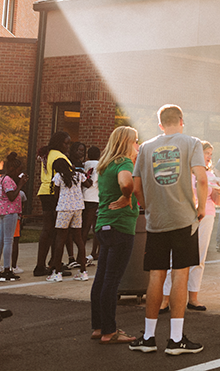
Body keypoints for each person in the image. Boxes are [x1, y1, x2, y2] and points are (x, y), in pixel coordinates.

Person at [126, 104, 208, 355]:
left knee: (155, 276)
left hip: (157, 220)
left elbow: (136, 186)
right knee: (180, 275)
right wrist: (201, 207)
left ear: (160, 124)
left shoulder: (147, 147)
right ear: (181, 121)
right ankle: (175, 340)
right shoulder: (192, 142)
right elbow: (202, 179)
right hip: (184, 219)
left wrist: (148, 206)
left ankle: (149, 337)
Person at [160, 141, 220, 312]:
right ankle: (165, 298)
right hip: (184, 216)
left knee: (199, 257)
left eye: (211, 153)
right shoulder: (184, 172)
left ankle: (193, 298)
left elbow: (218, 202)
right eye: (207, 153)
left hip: (207, 215)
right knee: (174, 257)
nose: (209, 156)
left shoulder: (211, 174)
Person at [92, 126, 141, 345]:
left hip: (103, 225)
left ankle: (99, 326)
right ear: (127, 143)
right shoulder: (124, 162)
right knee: (112, 280)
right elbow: (126, 182)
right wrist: (127, 197)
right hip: (120, 226)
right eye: (136, 141)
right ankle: (110, 331)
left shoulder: (104, 165)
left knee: (101, 278)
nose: (138, 146)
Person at [34, 131, 71, 277]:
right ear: (58, 143)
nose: (68, 146)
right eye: (66, 143)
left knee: (47, 230)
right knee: (58, 230)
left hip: (44, 191)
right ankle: (55, 264)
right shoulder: (59, 157)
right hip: (55, 194)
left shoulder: (48, 154)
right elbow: (66, 177)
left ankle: (40, 265)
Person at [47, 157, 91, 282]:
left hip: (64, 209)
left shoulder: (58, 177)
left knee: (60, 239)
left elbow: (56, 194)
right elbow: (88, 184)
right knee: (78, 239)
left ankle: (57, 272)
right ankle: (83, 271)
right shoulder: (78, 175)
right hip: (78, 208)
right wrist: (87, 176)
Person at [0, 153, 25, 282]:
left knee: (1, 240)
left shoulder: (2, 178)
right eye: (19, 170)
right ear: (13, 169)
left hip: (3, 211)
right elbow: (12, 196)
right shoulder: (8, 180)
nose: (20, 173)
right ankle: (7, 269)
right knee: (9, 241)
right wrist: (20, 184)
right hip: (10, 212)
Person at [83, 146, 101, 264]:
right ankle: (95, 252)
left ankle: (82, 252)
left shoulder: (85, 164)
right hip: (96, 197)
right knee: (97, 228)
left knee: (85, 227)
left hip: (85, 197)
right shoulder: (100, 165)